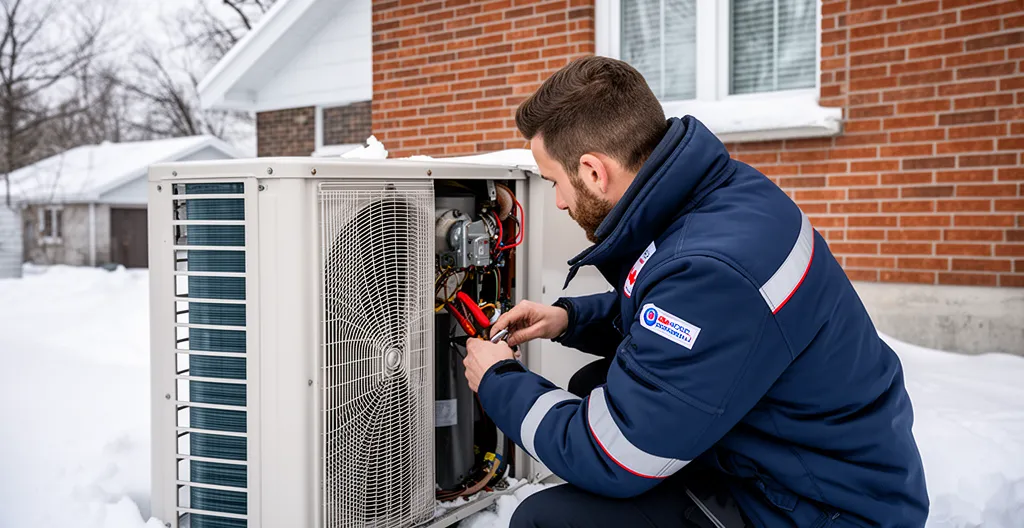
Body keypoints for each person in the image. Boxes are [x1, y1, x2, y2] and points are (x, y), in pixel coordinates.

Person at [462, 56, 930, 527]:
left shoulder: (711, 269)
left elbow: (614, 454)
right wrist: (570, 318)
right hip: (812, 462)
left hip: (824, 510)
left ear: (593, 172)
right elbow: (679, 316)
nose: (559, 201)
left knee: (546, 520)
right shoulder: (721, 195)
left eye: (555, 184)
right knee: (593, 386)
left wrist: (500, 381)